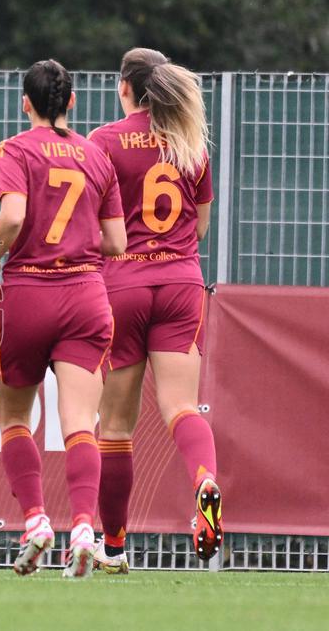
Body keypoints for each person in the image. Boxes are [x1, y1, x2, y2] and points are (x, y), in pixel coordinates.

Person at [0, 59, 127, 579]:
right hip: (87, 292)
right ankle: (84, 526)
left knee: (16, 419)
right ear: (72, 103)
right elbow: (117, 242)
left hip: (29, 293)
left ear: (26, 103)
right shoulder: (95, 155)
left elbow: (14, 215)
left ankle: (37, 521)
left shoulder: (14, 149)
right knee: (81, 424)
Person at [89, 48, 221, 573]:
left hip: (122, 286)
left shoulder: (104, 141)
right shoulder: (190, 143)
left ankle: (115, 547)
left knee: (116, 428)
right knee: (181, 407)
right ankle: (205, 480)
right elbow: (202, 226)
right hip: (182, 282)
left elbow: (94, 226)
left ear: (125, 88)